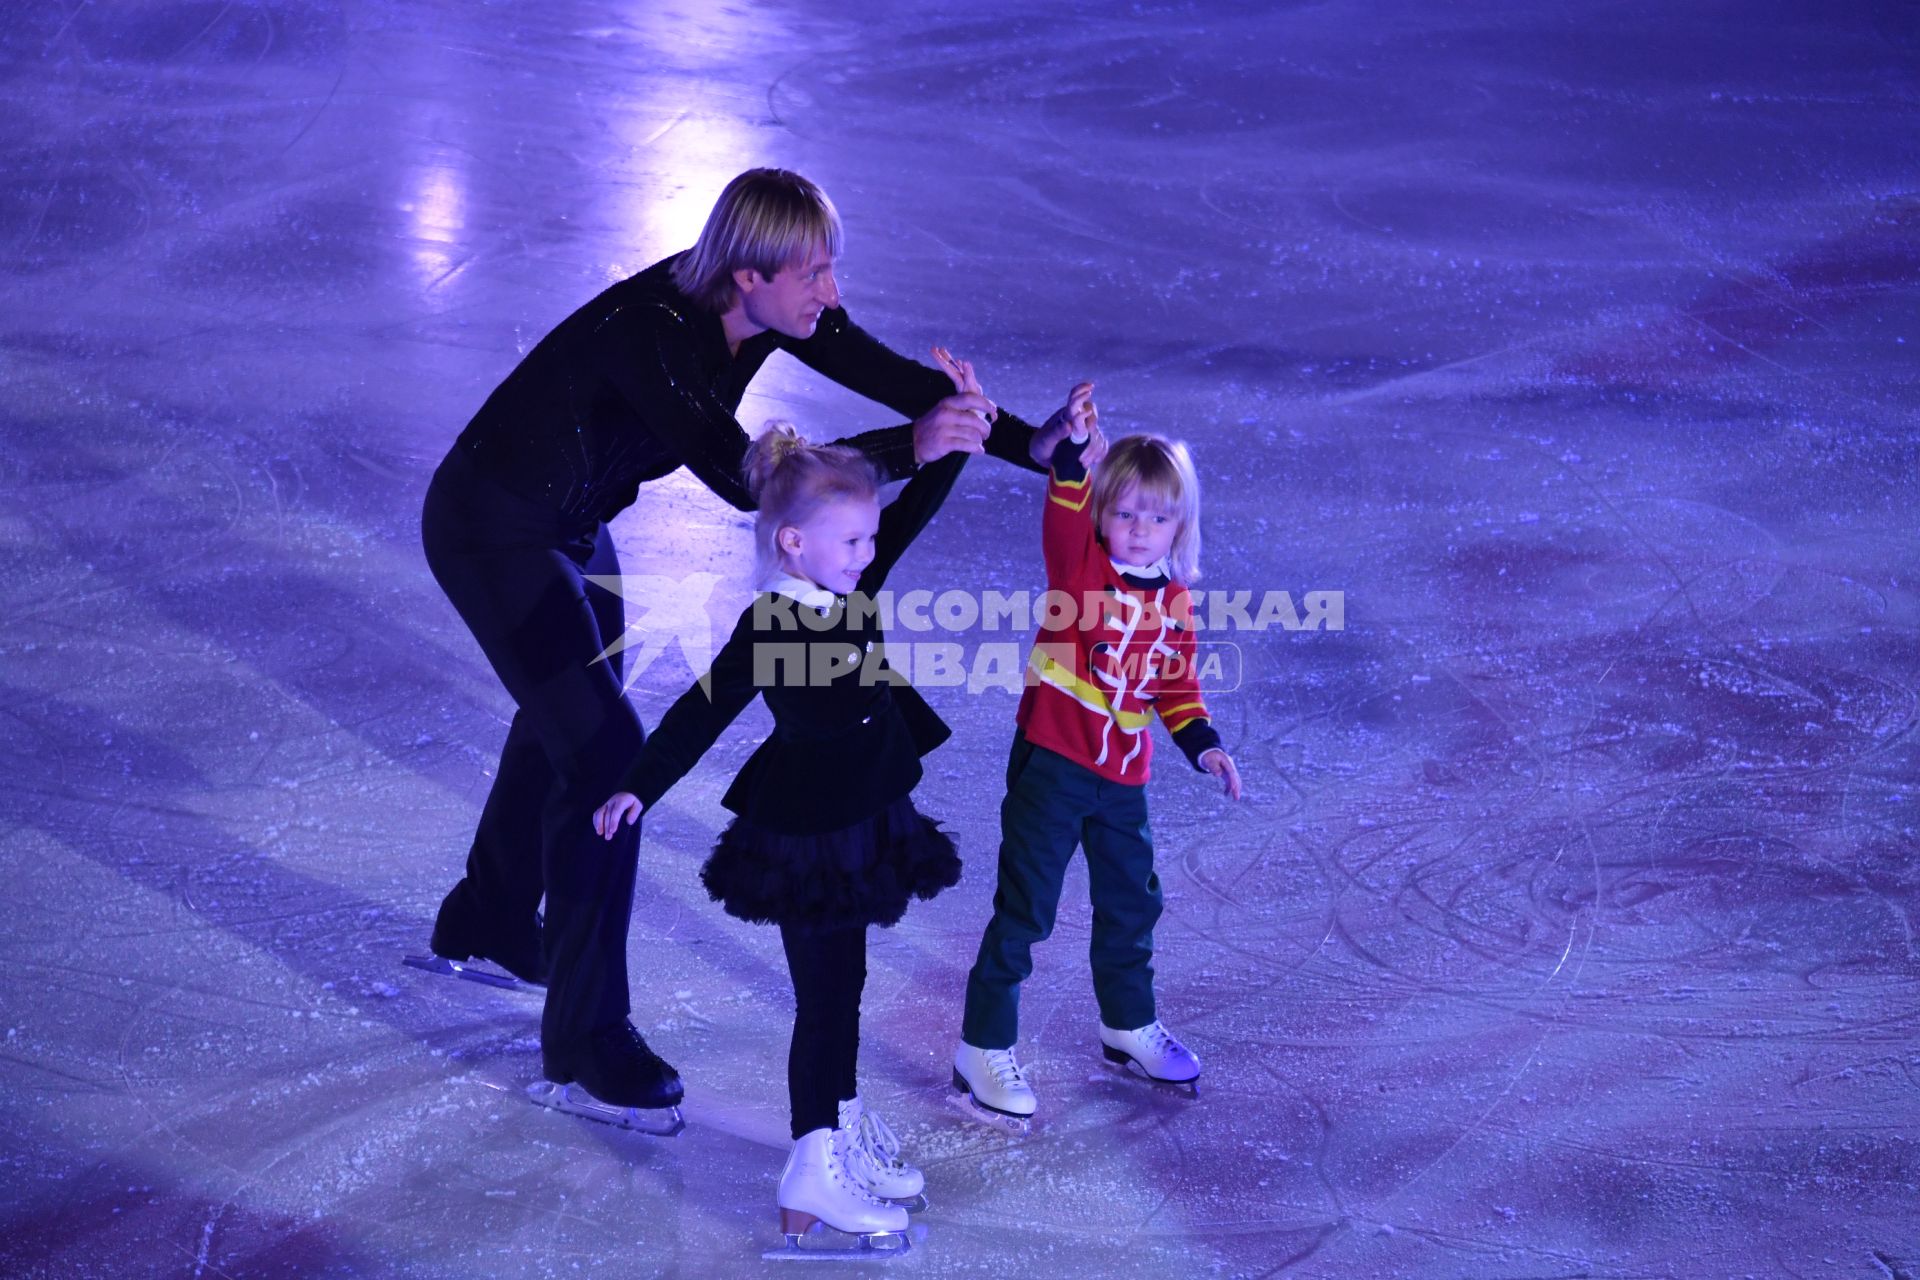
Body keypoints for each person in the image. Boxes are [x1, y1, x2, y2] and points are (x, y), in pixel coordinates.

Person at [421, 168, 1097, 1115]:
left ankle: (488, 915)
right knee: (605, 748)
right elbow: (752, 481)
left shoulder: (776, 306)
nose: (830, 294)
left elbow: (902, 384)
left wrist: (1028, 445)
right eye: (813, 273)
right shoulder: (652, 337)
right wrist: (912, 451)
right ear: (747, 277)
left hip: (570, 528)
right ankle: (584, 1037)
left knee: (562, 717)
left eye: (831, 269)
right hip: (492, 527)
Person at [590, 372, 977, 1250]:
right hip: (808, 839)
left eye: (868, 537)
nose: (866, 551)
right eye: (851, 540)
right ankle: (811, 1168)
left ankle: (836, 1129)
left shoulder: (853, 586)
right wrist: (638, 786)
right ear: (794, 543)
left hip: (866, 819)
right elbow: (702, 708)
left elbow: (909, 518)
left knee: (846, 990)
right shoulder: (770, 627)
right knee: (825, 1000)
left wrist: (954, 447)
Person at [952, 386, 1243, 1130]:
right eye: (1125, 513)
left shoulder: (1175, 600)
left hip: (1124, 780)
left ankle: (1128, 1024)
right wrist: (1077, 459)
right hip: (1053, 764)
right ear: (1103, 515)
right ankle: (983, 1045)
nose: (1140, 530)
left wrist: (1203, 746)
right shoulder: (1080, 568)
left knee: (1131, 902)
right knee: (1027, 909)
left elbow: (1176, 684)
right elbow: (1064, 512)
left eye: (1158, 516)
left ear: (1179, 525)